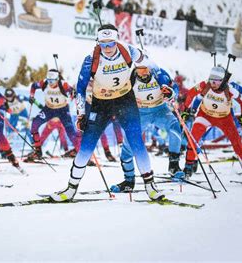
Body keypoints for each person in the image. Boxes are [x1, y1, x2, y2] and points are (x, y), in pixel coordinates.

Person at [49, 24, 164, 202]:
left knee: (136, 141)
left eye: (111, 44)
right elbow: (79, 88)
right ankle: (70, 189)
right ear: (98, 43)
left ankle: (150, 186)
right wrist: (80, 115)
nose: (108, 48)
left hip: (125, 101)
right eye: (103, 44)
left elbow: (153, 67)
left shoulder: (129, 51)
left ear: (117, 41)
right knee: (87, 144)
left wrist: (164, 85)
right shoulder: (91, 59)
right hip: (101, 104)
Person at [111, 56, 182, 192]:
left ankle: (174, 166)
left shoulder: (160, 74)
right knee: (127, 147)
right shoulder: (130, 78)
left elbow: (175, 88)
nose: (143, 72)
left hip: (160, 110)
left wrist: (172, 94)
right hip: (140, 113)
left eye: (145, 69)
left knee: (174, 126)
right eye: (139, 69)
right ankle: (128, 180)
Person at [183, 67, 242, 185]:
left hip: (224, 119)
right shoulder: (205, 85)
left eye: (216, 80)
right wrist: (186, 108)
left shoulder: (229, 89)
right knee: (193, 139)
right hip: (205, 115)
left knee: (237, 144)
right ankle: (187, 168)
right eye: (211, 79)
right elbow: (191, 93)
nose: (213, 83)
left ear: (223, 80)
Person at [25, 69, 79, 161]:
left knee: (70, 131)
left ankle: (80, 152)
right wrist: (31, 96)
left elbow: (73, 92)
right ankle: (38, 152)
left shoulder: (63, 84)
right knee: (34, 124)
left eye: (52, 80)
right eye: (49, 80)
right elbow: (33, 86)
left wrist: (72, 95)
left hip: (62, 110)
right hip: (49, 109)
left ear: (57, 79)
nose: (50, 83)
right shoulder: (44, 83)